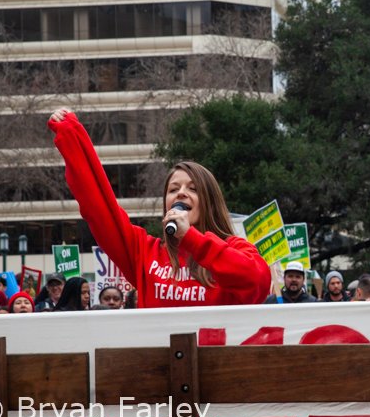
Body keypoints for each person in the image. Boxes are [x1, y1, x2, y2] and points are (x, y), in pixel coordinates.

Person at [48, 108, 270, 308]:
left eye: (192, 189)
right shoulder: (144, 252)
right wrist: (72, 137)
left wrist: (193, 240)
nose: (181, 193)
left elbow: (258, 281)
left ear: (209, 201)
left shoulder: (236, 247)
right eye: (173, 190)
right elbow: (99, 207)